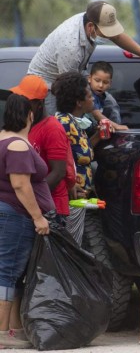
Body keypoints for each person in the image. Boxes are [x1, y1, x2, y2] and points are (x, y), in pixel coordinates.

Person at [27, 1, 140, 114]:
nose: (108, 36)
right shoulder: (70, 47)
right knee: (60, 128)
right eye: (105, 33)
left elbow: (117, 36)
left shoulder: (92, 18)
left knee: (108, 104)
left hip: (76, 74)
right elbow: (69, 90)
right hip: (50, 86)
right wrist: (101, 118)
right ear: (90, 27)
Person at [0, 94, 52, 349]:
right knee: (7, 271)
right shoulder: (17, 146)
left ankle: (13, 329)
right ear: (29, 115)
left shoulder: (3, 140)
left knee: (13, 271)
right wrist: (38, 216)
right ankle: (1, 333)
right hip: (16, 214)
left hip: (7, 211)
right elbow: (20, 184)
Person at [10, 75, 76, 224]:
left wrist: (28, 197)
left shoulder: (52, 128)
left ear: (40, 103)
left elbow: (58, 172)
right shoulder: (25, 124)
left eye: (26, 101)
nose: (22, 105)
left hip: (50, 210)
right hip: (29, 207)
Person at [53, 71, 102, 244]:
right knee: (69, 245)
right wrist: (70, 184)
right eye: (89, 95)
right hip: (69, 196)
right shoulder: (64, 124)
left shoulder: (75, 123)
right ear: (79, 102)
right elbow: (62, 159)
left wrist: (98, 136)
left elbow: (80, 152)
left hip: (79, 197)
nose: (93, 99)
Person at [87, 61, 128, 131]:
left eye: (105, 82)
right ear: (89, 78)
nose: (100, 85)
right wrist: (116, 126)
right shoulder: (87, 93)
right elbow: (96, 114)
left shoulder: (104, 98)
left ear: (110, 83)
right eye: (97, 80)